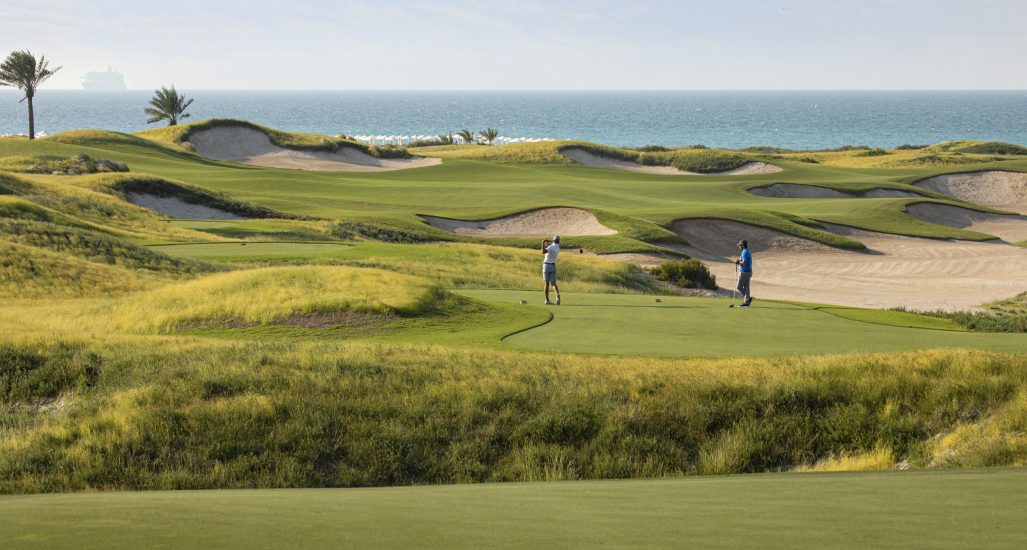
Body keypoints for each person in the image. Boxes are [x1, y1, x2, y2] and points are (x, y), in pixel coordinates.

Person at [542, 235, 561, 305]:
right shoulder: (558, 248)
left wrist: (543, 242)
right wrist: (547, 244)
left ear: (553, 240)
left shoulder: (550, 247)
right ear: (559, 241)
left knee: (546, 283)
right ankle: (557, 293)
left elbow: (543, 251)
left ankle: (547, 300)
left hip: (546, 265)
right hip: (553, 266)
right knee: (553, 283)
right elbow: (550, 248)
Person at [735, 239, 753, 307]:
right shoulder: (746, 251)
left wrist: (738, 262)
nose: (739, 246)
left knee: (739, 287)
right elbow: (743, 261)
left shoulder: (745, 252)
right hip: (748, 272)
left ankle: (747, 300)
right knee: (746, 287)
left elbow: (745, 263)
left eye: (740, 245)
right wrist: (739, 261)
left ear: (742, 245)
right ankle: (747, 301)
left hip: (745, 273)